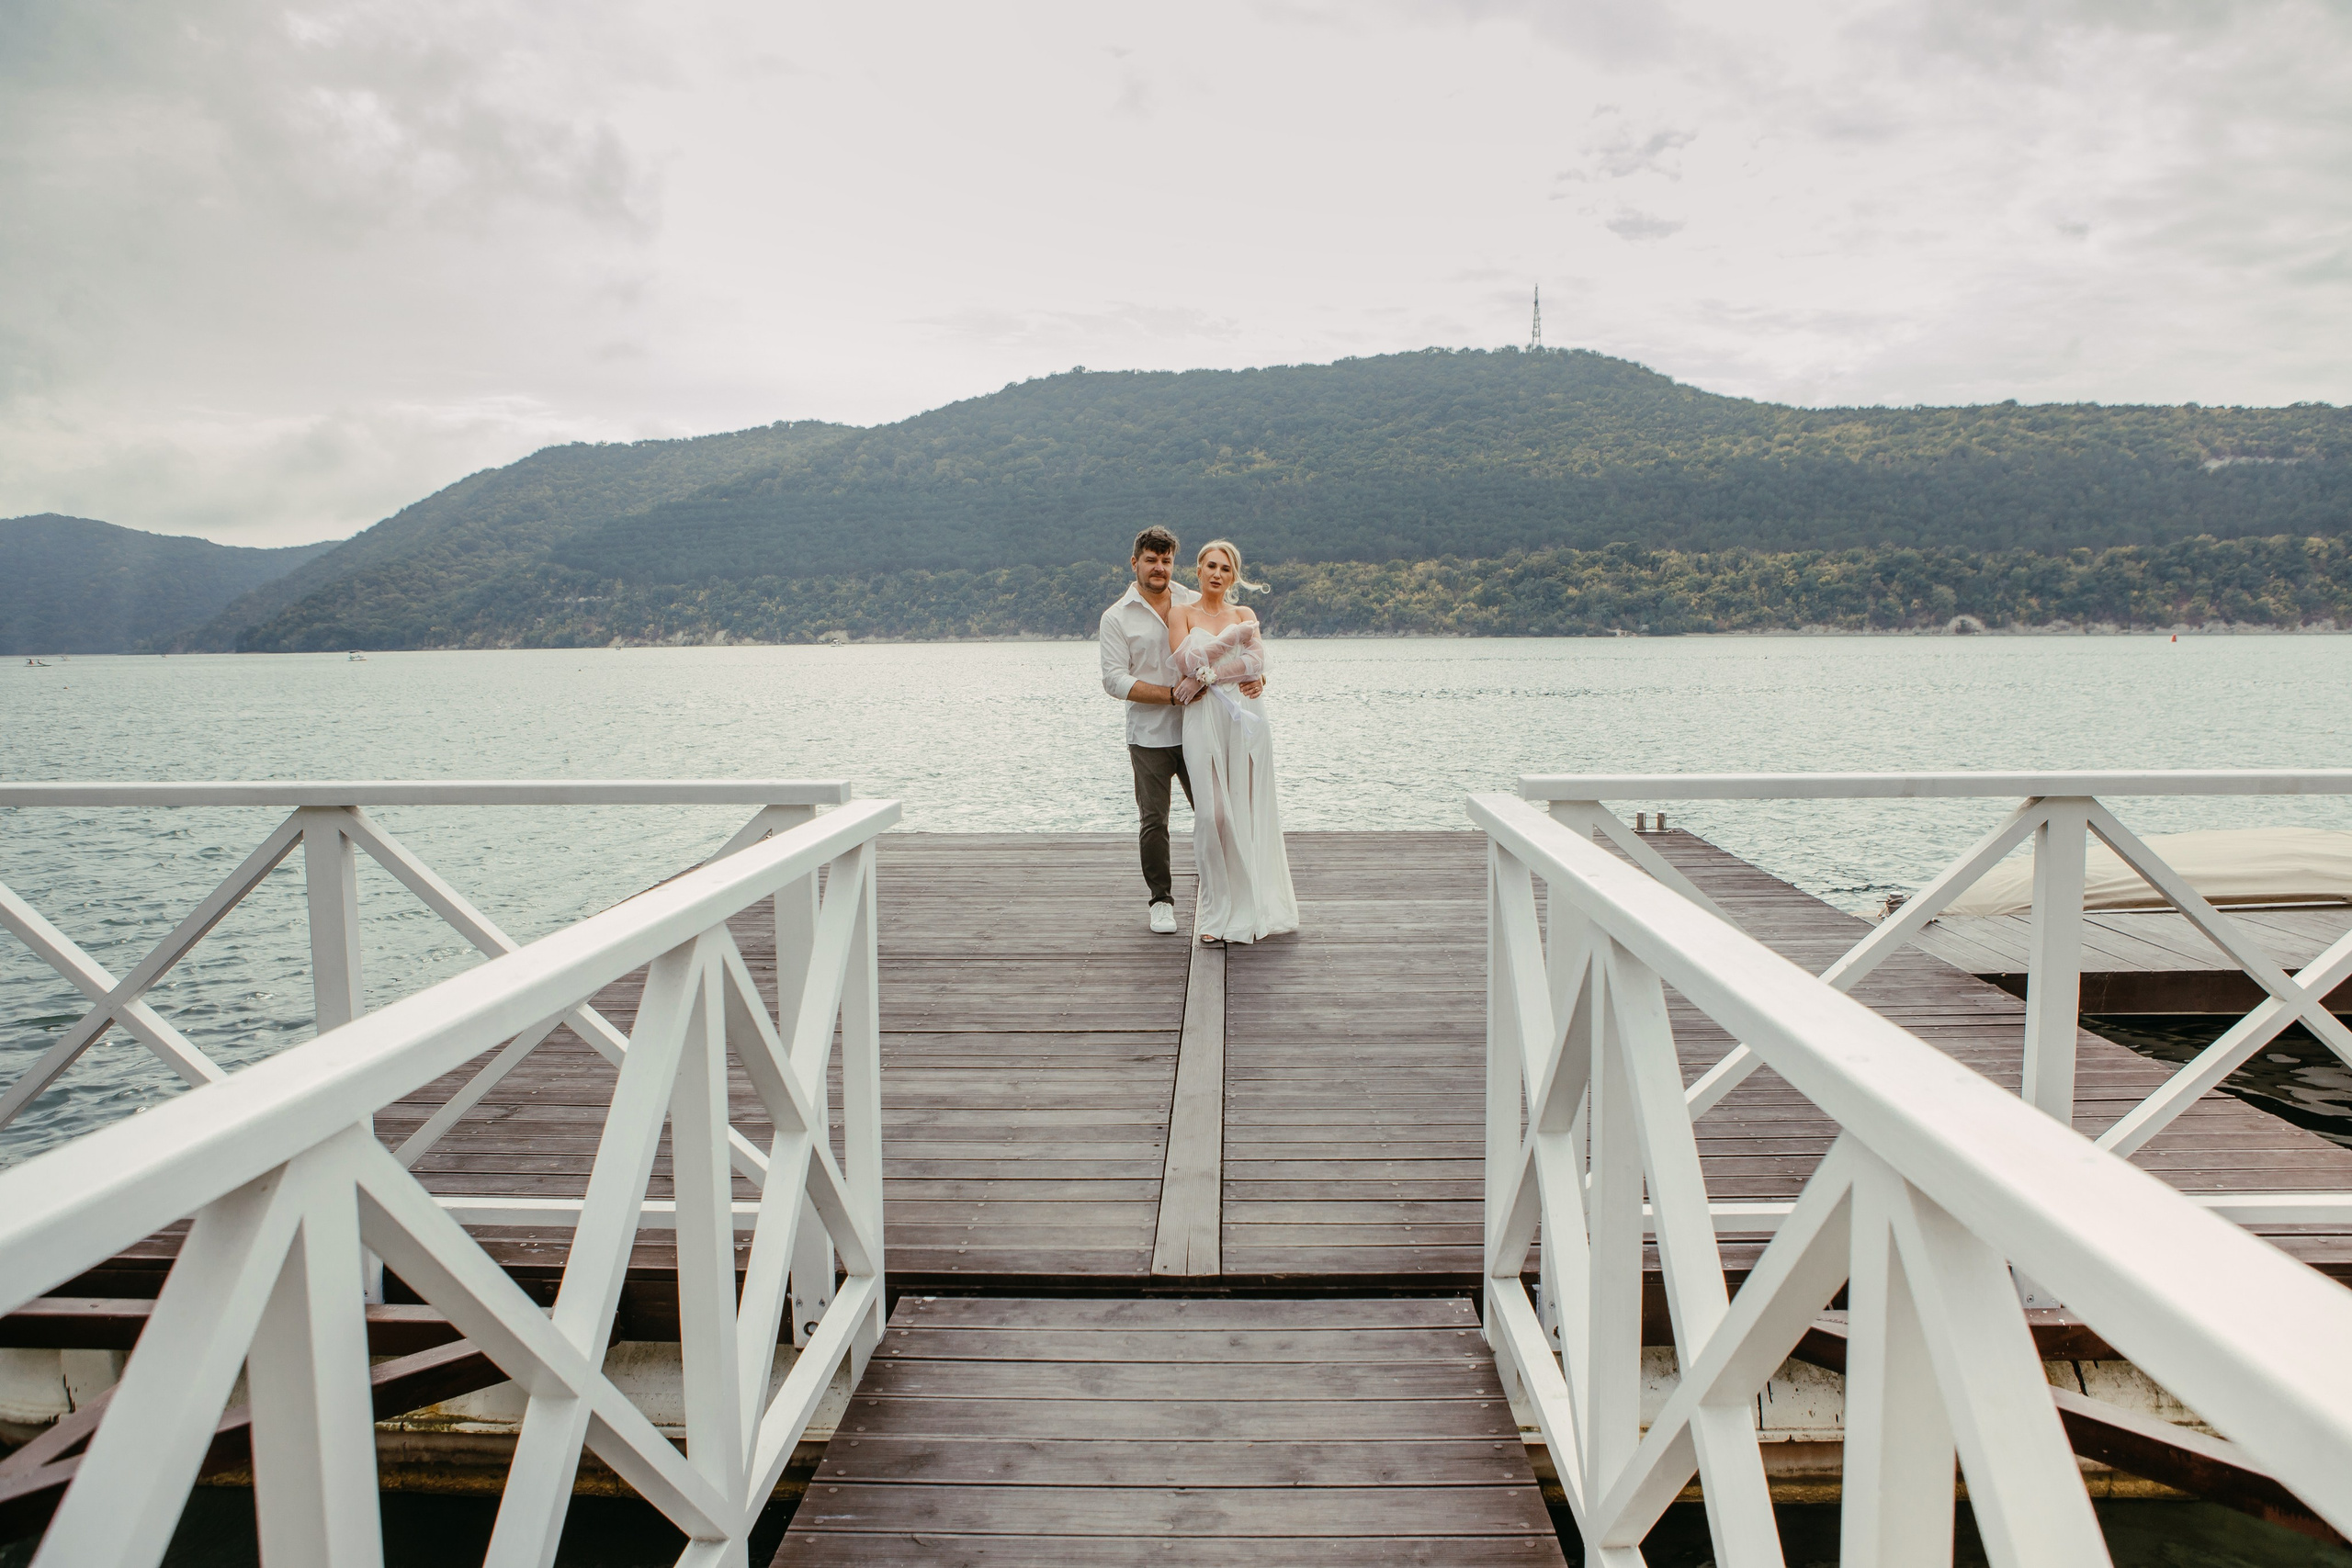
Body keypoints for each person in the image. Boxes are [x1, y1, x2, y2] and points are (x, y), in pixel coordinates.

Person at [1098, 526, 1263, 933]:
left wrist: (1258, 680)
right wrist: (1172, 696)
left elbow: (1237, 651)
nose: (1159, 568)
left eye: (1166, 560)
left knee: (1216, 815)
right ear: (1134, 562)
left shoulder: (1194, 600)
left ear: (1175, 562)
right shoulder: (1116, 617)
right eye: (1151, 560)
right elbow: (1114, 680)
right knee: (1154, 820)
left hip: (1202, 727)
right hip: (1150, 735)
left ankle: (1226, 897)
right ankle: (1161, 901)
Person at [1167, 539, 1297, 944]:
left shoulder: (1244, 612)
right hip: (1201, 719)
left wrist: (1210, 673)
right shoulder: (1181, 613)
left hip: (1243, 717)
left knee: (1245, 811)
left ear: (1234, 575)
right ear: (1199, 570)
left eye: (1225, 568)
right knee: (1212, 815)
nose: (1217, 574)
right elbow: (1185, 662)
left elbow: (1257, 663)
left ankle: (1249, 904)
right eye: (1210, 566)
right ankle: (1216, 909)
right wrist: (1229, 648)